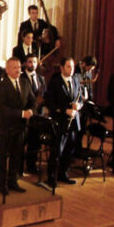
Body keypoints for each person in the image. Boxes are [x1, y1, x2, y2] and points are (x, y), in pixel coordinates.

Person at [0, 58, 32, 195]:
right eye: (14, 67)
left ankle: (13, 181)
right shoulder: (3, 85)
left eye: (18, 67)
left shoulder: (24, 82)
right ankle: (2, 184)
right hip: (5, 127)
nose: (18, 70)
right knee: (3, 156)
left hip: (20, 128)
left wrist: (31, 111)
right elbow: (1, 108)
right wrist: (22, 113)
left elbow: (32, 100)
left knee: (17, 155)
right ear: (7, 70)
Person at [44, 57, 82, 186]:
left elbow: (80, 99)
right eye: (68, 67)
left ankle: (63, 173)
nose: (71, 70)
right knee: (57, 151)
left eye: (72, 67)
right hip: (60, 122)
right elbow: (50, 102)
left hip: (73, 122)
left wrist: (79, 106)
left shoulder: (76, 80)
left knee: (69, 150)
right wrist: (64, 110)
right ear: (61, 68)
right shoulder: (55, 82)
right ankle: (51, 177)